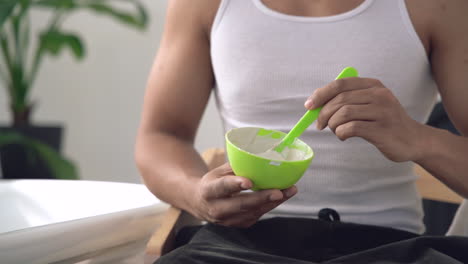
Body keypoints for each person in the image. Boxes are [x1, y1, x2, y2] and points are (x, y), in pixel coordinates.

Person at [135, 0, 468, 263]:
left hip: (390, 246)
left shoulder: (436, 5)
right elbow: (160, 137)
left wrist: (417, 138)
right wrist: (196, 196)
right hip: (236, 246)